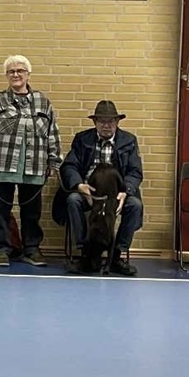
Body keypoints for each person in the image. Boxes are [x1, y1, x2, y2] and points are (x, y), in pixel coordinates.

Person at [0, 55, 62, 267]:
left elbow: (53, 134)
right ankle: (2, 249)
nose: (16, 75)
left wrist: (54, 161)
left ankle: (31, 249)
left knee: (32, 212)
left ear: (28, 74)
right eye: (11, 71)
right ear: (6, 76)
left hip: (35, 166)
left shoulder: (43, 101)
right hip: (0, 165)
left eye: (20, 71)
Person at [57, 100, 144, 276]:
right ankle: (86, 254)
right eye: (102, 121)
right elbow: (69, 166)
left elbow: (135, 171)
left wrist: (125, 192)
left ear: (117, 122)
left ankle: (117, 256)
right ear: (95, 122)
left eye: (110, 121)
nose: (106, 126)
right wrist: (79, 185)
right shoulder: (82, 139)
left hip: (117, 193)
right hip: (89, 191)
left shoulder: (129, 141)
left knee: (135, 205)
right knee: (73, 200)